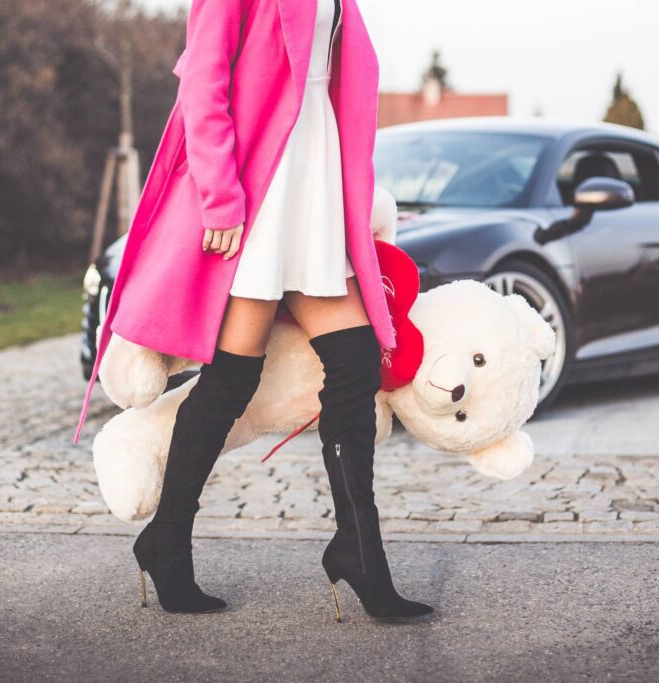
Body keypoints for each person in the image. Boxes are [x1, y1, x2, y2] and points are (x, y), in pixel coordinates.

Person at [79, 0, 433, 622]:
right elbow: (203, 77)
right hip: (261, 186)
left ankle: (359, 551)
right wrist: (220, 197)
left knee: (354, 362)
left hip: (315, 179)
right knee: (232, 378)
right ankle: (167, 539)